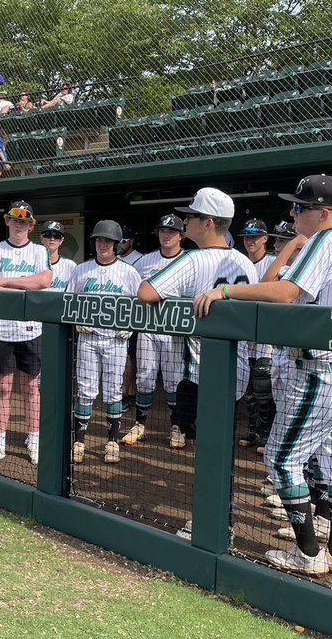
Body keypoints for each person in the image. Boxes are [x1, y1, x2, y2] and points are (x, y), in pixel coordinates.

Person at [193, 175, 332, 577]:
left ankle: (309, 553)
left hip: (322, 368)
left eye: (299, 207)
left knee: (282, 459)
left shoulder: (325, 240)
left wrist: (226, 293)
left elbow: (285, 293)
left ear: (322, 212)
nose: (292, 212)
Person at [137, 188, 257, 460]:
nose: (186, 220)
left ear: (209, 223)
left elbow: (146, 293)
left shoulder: (191, 259)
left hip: (198, 372)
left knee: (203, 443)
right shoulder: (244, 262)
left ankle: (211, 498)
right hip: (234, 369)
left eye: (192, 215)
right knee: (221, 440)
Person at [0, 200, 53, 467]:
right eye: (15, 220)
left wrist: (6, 281)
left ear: (31, 225)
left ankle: (33, 438)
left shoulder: (38, 251)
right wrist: (24, 287)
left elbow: (44, 281)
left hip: (31, 329)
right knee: (2, 387)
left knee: (32, 387)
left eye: (24, 221)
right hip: (1, 329)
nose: (19, 225)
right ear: (7, 221)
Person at [67, 220, 142, 465]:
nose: (103, 244)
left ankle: (112, 440)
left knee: (113, 391)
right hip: (87, 338)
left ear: (117, 244)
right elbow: (69, 301)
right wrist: (77, 321)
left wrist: (129, 324)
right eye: (99, 239)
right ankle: (79, 440)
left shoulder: (129, 272)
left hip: (115, 341)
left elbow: (138, 305)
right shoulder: (81, 270)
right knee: (86, 390)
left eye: (108, 241)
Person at [125, 215, 187, 447]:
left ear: (181, 235)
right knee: (145, 377)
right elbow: (131, 292)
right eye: (163, 230)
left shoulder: (189, 260)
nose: (166, 234)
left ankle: (177, 426)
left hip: (174, 331)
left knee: (174, 380)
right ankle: (140, 424)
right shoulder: (144, 261)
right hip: (148, 328)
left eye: (172, 231)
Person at [235, 219, 278, 451]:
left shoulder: (273, 263)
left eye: (255, 236)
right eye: (247, 236)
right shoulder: (239, 263)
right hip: (243, 335)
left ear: (265, 239)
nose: (250, 241)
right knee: (248, 388)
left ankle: (268, 433)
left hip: (265, 336)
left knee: (264, 387)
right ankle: (254, 430)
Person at [41, 220, 77, 291]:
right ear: (42, 238)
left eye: (57, 236)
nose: (52, 239)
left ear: (61, 241)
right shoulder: (32, 263)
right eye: (48, 235)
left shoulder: (71, 266)